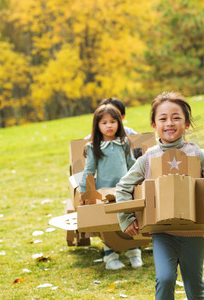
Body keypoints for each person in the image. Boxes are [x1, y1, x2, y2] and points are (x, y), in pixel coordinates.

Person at [115, 91, 204, 299]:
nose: (169, 123)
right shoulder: (148, 158)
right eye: (163, 118)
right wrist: (126, 218)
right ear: (154, 125)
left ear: (187, 124)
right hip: (162, 232)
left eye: (176, 117)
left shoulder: (196, 153)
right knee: (165, 278)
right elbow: (123, 187)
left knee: (194, 285)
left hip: (193, 232)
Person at [79, 104, 142, 270]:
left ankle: (133, 251)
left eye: (113, 121)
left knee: (128, 218)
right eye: (104, 122)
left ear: (119, 123)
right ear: (97, 126)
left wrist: (140, 179)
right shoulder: (93, 147)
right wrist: (84, 191)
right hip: (103, 191)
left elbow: (132, 164)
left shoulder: (124, 143)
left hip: (124, 189)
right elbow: (89, 170)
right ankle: (110, 255)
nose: (109, 126)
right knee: (108, 222)